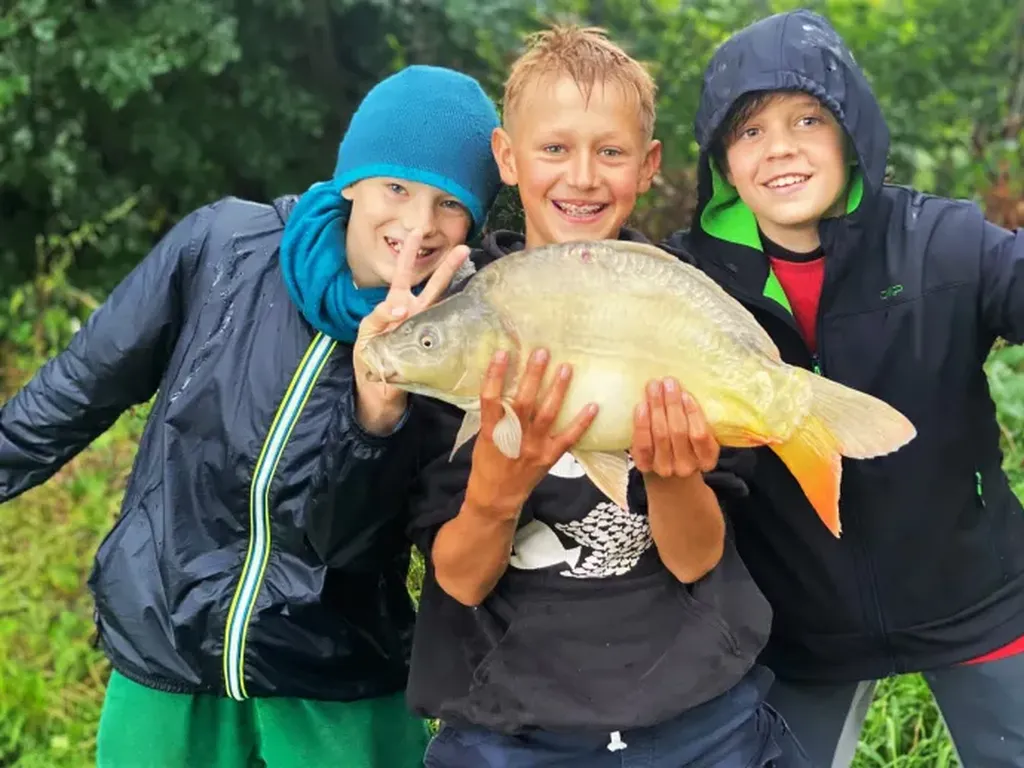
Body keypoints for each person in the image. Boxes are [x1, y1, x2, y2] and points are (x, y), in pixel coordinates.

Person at [0, 64, 503, 768]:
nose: (418, 227)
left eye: (449, 204)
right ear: (353, 179)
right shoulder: (220, 249)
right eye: (397, 187)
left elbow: (350, 541)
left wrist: (375, 412)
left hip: (337, 690)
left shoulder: (463, 337)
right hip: (166, 659)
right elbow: (75, 390)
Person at [399, 26, 812, 768]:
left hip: (694, 717)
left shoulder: (672, 301)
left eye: (610, 152)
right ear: (507, 157)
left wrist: (671, 471)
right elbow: (458, 579)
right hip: (508, 727)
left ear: (648, 165)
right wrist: (497, 492)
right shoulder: (466, 325)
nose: (582, 177)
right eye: (554, 148)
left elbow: (697, 560)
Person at [663, 8, 1024, 767]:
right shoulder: (683, 284)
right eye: (750, 130)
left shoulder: (941, 244)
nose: (781, 149)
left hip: (979, 601)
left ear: (852, 132)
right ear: (721, 158)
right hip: (798, 626)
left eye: (808, 119)